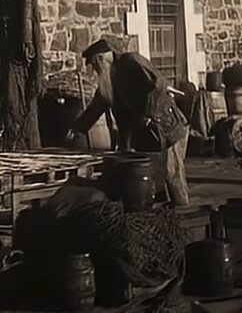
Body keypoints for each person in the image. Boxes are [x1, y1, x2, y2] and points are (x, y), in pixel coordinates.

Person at [69, 36, 191, 206]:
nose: (96, 71)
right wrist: (78, 127)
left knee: (172, 173)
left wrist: (149, 114)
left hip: (168, 127)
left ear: (101, 59)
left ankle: (185, 215)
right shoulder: (109, 80)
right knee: (147, 177)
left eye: (95, 66)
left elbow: (159, 85)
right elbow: (100, 103)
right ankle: (159, 213)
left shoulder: (131, 61)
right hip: (147, 135)